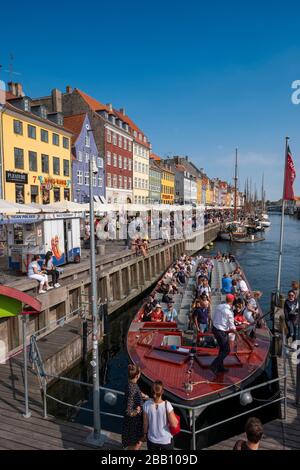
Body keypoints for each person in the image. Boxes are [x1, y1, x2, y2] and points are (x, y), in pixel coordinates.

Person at [143, 381, 178, 450]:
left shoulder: (146, 404)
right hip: (165, 440)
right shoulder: (167, 405)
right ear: (162, 392)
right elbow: (174, 424)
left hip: (152, 439)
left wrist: (144, 434)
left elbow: (145, 423)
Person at [122, 364, 149, 450]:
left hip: (133, 423)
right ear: (137, 375)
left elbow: (134, 390)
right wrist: (137, 411)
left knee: (138, 442)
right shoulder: (132, 390)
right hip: (133, 424)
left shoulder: (130, 384)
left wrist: (142, 395)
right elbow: (129, 411)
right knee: (134, 445)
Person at [210, 294, 236, 374]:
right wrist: (236, 331)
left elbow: (215, 317)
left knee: (222, 349)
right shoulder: (229, 312)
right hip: (221, 331)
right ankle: (214, 365)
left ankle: (220, 367)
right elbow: (232, 326)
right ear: (232, 301)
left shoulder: (219, 306)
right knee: (226, 350)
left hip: (215, 328)